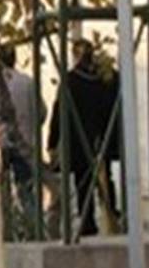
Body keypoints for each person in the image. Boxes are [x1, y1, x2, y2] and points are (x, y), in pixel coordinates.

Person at [47, 39, 120, 236]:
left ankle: (88, 221)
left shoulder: (71, 80)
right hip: (101, 135)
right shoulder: (106, 78)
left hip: (79, 139)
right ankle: (111, 215)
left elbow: (58, 112)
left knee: (83, 179)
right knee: (105, 177)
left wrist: (52, 141)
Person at [0, 46, 46, 224]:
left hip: (1, 144)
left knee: (2, 193)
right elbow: (42, 112)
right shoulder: (28, 83)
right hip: (25, 144)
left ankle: (8, 227)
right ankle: (33, 227)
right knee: (26, 191)